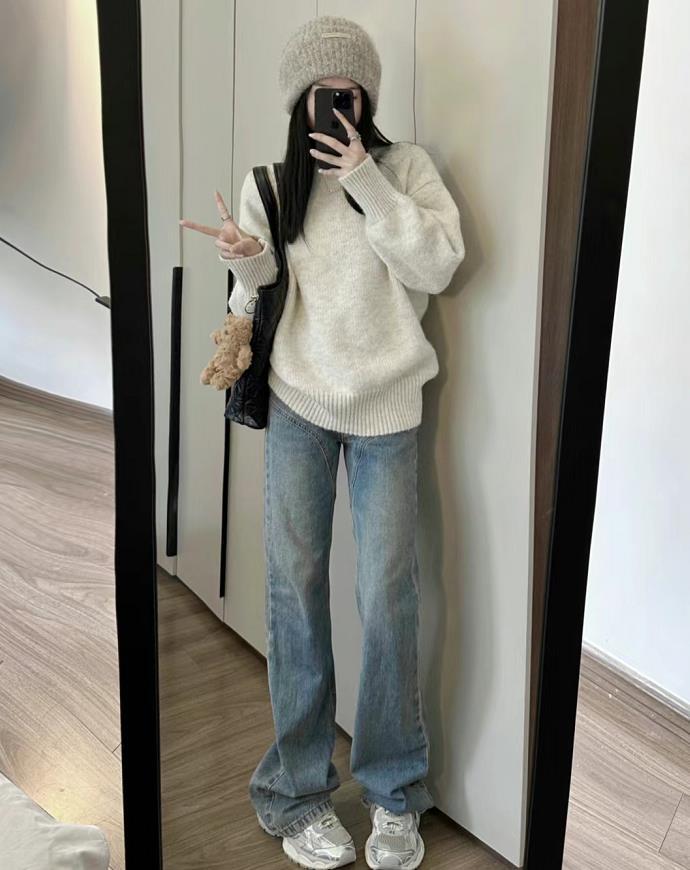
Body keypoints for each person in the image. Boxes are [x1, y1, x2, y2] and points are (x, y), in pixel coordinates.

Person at [180, 15, 465, 870]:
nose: (340, 105)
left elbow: (438, 266)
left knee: (388, 598)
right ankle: (297, 792)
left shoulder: (405, 170)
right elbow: (256, 296)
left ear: (368, 98)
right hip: (302, 403)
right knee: (295, 594)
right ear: (298, 101)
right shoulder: (270, 185)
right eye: (322, 93)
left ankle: (393, 792)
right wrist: (245, 260)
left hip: (389, 409)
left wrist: (366, 180)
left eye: (353, 93)